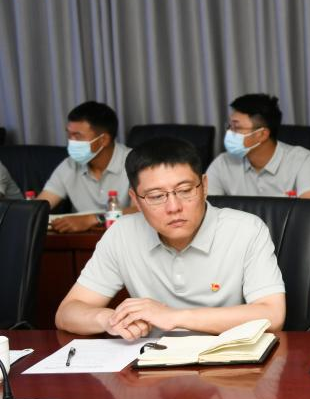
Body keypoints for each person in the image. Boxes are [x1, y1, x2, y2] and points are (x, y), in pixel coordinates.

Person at [55, 137, 286, 340]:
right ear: (136, 200)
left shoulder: (246, 229)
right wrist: (110, 320)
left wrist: (173, 317)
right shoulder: (121, 234)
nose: (174, 207)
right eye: (156, 196)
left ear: (204, 186)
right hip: (150, 363)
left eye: (185, 190)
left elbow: (272, 314)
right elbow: (67, 312)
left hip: (229, 362)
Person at [37, 101, 135, 232]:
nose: (71, 142)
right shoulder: (69, 165)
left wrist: (94, 219)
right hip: (80, 240)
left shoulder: (135, 162)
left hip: (124, 237)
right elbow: (39, 206)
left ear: (103, 140)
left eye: (77, 136)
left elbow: (139, 210)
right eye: (69, 134)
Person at [206, 93, 310, 199]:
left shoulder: (303, 160)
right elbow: (204, 208)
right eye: (229, 126)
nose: (229, 132)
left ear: (262, 134)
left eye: (237, 127)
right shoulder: (223, 162)